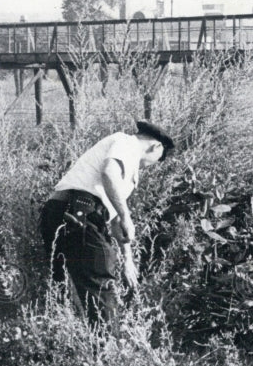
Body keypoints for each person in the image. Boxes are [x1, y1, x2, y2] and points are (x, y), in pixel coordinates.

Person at [39, 120, 175, 329]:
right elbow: (108, 174)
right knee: (102, 288)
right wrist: (126, 215)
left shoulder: (123, 155)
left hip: (61, 211)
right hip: (80, 212)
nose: (151, 165)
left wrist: (128, 260)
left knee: (64, 287)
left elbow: (115, 219)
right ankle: (107, 354)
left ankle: (66, 345)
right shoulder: (126, 144)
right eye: (158, 159)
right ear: (156, 147)